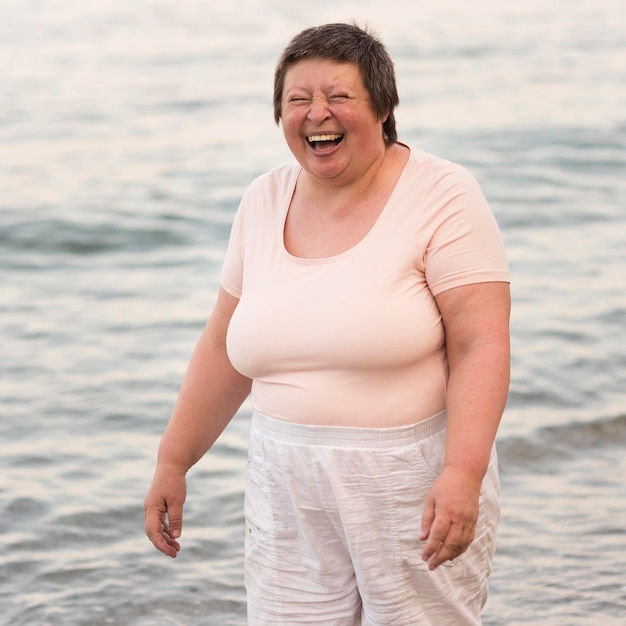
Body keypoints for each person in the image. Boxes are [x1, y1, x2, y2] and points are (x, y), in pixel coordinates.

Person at [144, 22, 510, 625]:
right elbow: (221, 345)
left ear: (384, 107)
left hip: (408, 478)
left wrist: (462, 472)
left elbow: (481, 344)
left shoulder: (443, 193)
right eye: (297, 100)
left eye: (339, 97)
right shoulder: (262, 200)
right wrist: (172, 460)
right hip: (284, 478)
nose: (318, 114)